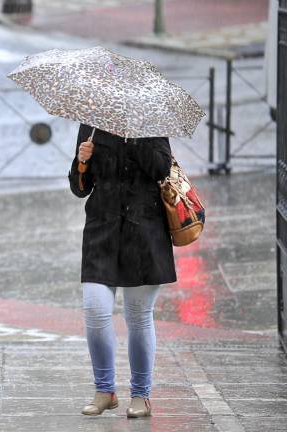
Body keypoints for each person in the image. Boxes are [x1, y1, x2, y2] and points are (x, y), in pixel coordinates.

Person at [69, 124, 176, 419]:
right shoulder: (91, 122)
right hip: (101, 231)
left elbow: (160, 168)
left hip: (144, 232)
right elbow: (80, 188)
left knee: (139, 316)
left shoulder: (150, 122)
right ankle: (105, 390)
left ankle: (141, 394)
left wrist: (133, 137)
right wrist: (82, 160)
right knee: (94, 310)